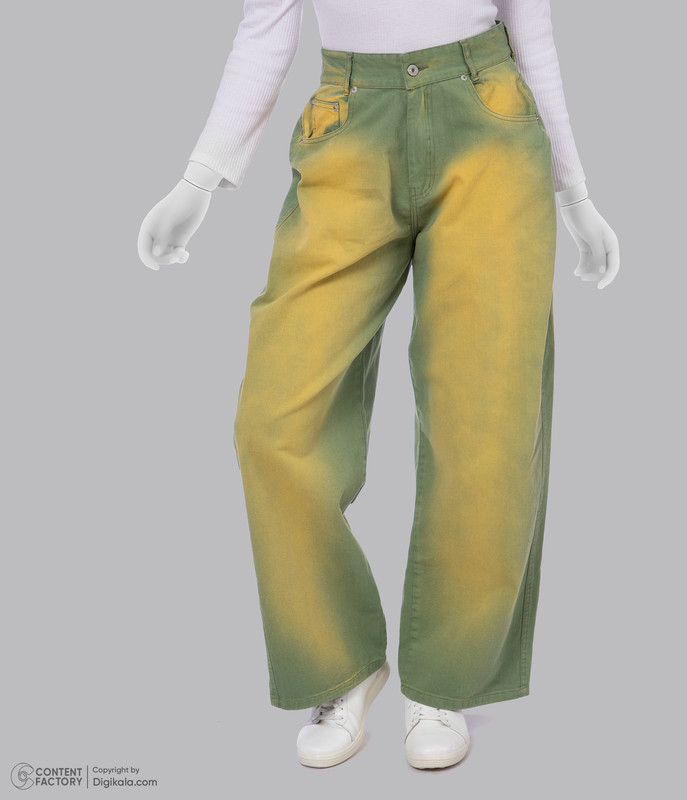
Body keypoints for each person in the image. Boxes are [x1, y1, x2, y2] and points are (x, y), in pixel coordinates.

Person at [137, 0, 620, 771]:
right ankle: (342, 666)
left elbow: (531, 27)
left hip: (487, 120)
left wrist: (576, 192)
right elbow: (266, 24)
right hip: (348, 121)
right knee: (274, 421)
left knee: (487, 421)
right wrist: (200, 177)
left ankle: (445, 680)